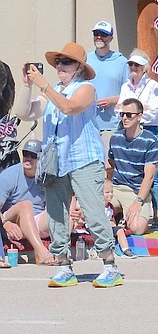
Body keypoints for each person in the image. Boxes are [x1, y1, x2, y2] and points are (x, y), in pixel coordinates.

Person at [14, 43, 122, 288]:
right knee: (56, 216)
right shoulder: (51, 93)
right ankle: (64, 265)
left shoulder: (86, 88)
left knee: (93, 212)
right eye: (58, 62)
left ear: (79, 68)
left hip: (84, 159)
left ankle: (109, 264)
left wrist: (44, 85)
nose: (60, 66)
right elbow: (24, 112)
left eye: (66, 62)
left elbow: (70, 107)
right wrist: (27, 85)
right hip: (56, 163)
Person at [118, 49, 158, 226]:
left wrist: (133, 113)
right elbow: (118, 109)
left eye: (137, 65)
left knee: (155, 175)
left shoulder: (153, 85)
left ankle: (156, 213)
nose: (133, 67)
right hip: (131, 132)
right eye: (131, 64)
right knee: (131, 170)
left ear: (144, 68)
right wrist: (138, 110)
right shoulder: (125, 86)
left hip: (152, 131)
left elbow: (153, 113)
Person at [106, 97, 158, 237]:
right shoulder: (115, 138)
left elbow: (149, 177)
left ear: (139, 117)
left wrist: (138, 202)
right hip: (116, 188)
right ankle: (115, 220)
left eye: (129, 115)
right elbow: (111, 165)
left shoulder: (151, 141)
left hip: (136, 191)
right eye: (122, 114)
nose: (124, 118)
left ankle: (119, 219)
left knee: (137, 229)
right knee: (93, 214)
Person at [0, 139, 51, 264]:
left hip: (34, 222)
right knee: (25, 205)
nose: (28, 158)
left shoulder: (45, 176)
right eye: (25, 154)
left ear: (41, 158)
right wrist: (5, 223)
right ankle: (42, 252)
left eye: (33, 155)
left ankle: (62, 253)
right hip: (11, 221)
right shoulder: (9, 175)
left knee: (64, 208)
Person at [86, 20, 130, 148]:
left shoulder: (122, 62)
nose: (99, 37)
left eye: (103, 34)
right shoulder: (85, 60)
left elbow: (130, 93)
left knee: (110, 164)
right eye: (96, 34)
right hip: (88, 123)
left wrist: (112, 100)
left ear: (111, 38)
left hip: (113, 124)